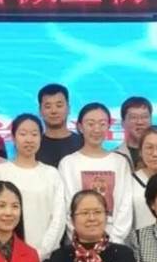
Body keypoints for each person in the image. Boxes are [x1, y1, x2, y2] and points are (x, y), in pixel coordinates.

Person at [0, 113, 66, 260]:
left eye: (34, 134)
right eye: (23, 134)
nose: (29, 139)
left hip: (47, 255)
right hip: (9, 254)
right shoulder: (1, 171)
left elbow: (58, 217)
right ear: (13, 137)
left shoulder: (51, 173)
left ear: (40, 138)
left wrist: (42, 252)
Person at [57, 102, 134, 244]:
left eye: (102, 124)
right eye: (90, 124)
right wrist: (81, 236)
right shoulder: (68, 163)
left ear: (108, 126)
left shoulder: (120, 162)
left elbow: (126, 205)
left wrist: (114, 239)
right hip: (79, 243)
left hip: (115, 242)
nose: (96, 129)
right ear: (80, 127)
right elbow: (66, 206)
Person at [36, 84, 83, 168]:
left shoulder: (84, 144)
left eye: (59, 106)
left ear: (68, 109)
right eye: (48, 106)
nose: (54, 111)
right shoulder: (33, 145)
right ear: (40, 111)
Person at [114, 96, 153, 171]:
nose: (140, 122)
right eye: (134, 117)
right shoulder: (113, 156)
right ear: (123, 123)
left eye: (144, 117)